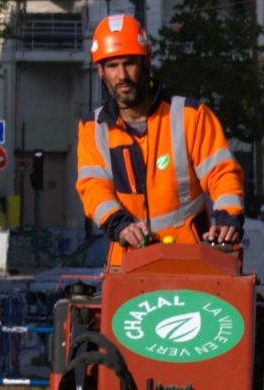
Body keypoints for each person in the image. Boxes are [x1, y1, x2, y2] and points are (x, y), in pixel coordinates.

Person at [73, 14, 247, 264]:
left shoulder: (190, 116)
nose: (122, 75)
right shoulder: (93, 128)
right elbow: (94, 189)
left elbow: (222, 174)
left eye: (129, 63)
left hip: (192, 260)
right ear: (100, 71)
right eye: (112, 66)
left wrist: (228, 220)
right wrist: (120, 225)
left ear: (146, 63)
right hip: (128, 264)